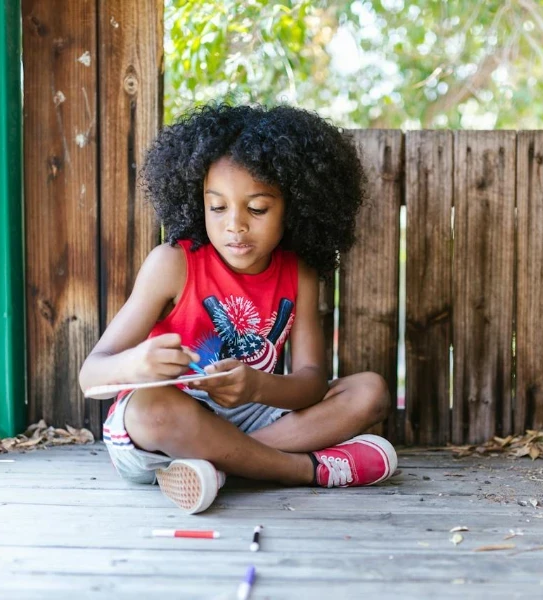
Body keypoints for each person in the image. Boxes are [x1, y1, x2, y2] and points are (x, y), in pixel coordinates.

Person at [79, 103, 397, 514]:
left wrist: (256, 387)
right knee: (151, 411)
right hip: (167, 426)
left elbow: (312, 382)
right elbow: (91, 374)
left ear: (294, 207)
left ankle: (218, 467)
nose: (236, 225)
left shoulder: (297, 272)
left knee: (369, 391)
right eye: (218, 207)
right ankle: (298, 470)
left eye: (258, 208)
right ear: (198, 203)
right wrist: (138, 364)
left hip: (252, 415)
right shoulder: (172, 263)